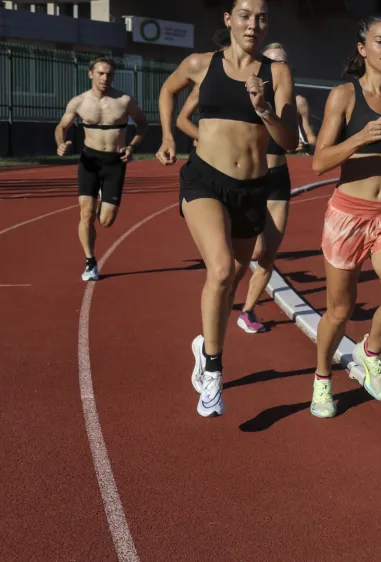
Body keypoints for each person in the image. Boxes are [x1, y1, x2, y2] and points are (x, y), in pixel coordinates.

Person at [155, 0, 298, 418]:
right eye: (245, 15)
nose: (254, 24)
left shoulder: (277, 73)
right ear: (229, 20)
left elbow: (288, 140)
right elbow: (167, 89)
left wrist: (264, 108)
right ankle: (214, 374)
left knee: (233, 276)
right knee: (219, 270)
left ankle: (203, 346)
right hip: (204, 180)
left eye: (262, 17)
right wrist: (166, 135)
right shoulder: (202, 64)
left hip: (252, 189)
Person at [308, 14, 381, 418]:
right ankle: (323, 378)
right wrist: (358, 137)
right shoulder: (343, 96)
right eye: (380, 42)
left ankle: (370, 350)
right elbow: (319, 162)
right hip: (348, 216)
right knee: (339, 311)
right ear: (363, 49)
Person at [176, 40, 317, 335]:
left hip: (277, 176)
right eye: (274, 61)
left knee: (267, 254)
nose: (279, 66)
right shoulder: (229, 82)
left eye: (284, 63)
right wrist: (210, 141)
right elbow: (184, 118)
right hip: (244, 177)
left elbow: (305, 139)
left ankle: (248, 310)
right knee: (248, 255)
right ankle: (223, 296)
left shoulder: (296, 99)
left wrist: (304, 141)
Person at [54, 56, 148, 281]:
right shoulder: (79, 102)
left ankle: (102, 200)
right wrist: (60, 142)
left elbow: (143, 124)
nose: (105, 78)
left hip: (115, 162)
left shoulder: (124, 100)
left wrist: (132, 146)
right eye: (101, 73)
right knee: (85, 214)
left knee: (106, 220)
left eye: (109, 74)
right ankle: (90, 262)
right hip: (89, 160)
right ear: (90, 74)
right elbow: (62, 126)